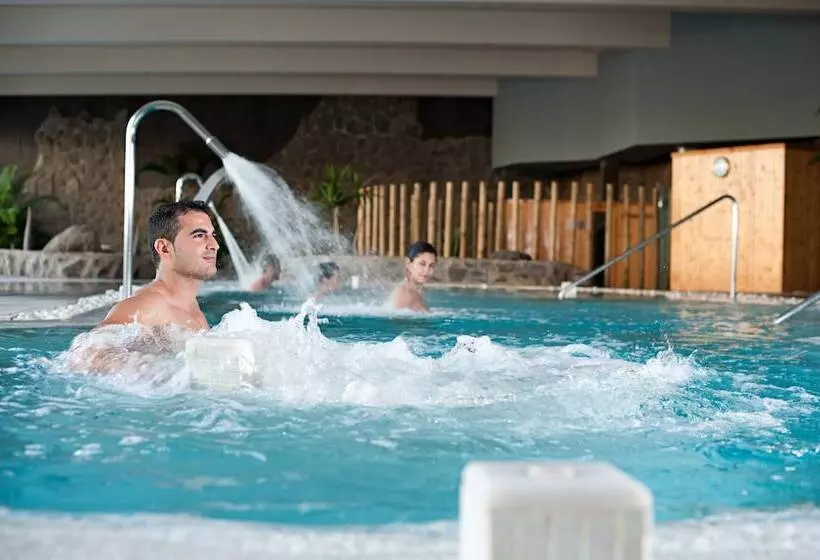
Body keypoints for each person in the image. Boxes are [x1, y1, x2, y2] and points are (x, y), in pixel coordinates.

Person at [101, 200, 219, 330]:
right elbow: (92, 343)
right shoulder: (149, 306)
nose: (215, 245)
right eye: (199, 235)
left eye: (212, 235)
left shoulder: (192, 307)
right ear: (164, 248)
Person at [391, 241, 437, 312]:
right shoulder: (405, 294)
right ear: (409, 264)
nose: (427, 270)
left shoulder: (415, 292)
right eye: (422, 264)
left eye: (431, 265)